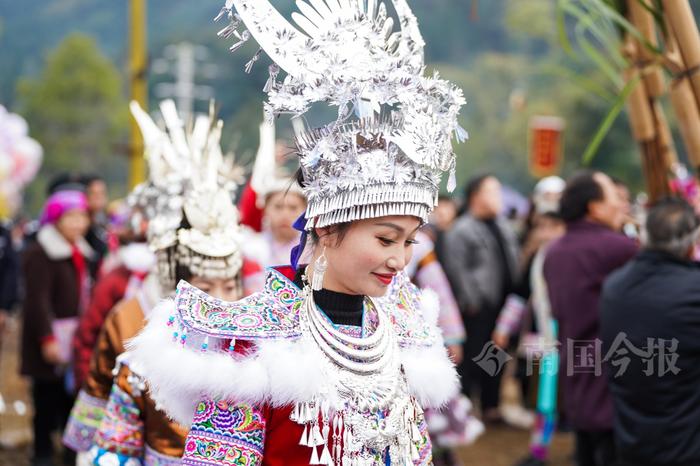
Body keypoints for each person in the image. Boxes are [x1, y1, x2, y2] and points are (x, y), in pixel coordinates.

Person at [128, 1, 467, 463]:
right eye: (386, 239)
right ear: (326, 230)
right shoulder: (252, 341)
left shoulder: (402, 331)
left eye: (409, 241)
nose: (400, 260)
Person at [62, 100, 264, 466]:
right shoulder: (132, 331)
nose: (220, 302)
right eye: (204, 287)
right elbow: (110, 439)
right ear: (178, 284)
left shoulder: (261, 353)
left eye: (230, 288)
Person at [543, 171, 637, 466]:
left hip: (576, 371)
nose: (623, 206)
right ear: (594, 207)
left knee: (586, 449)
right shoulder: (619, 248)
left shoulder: (554, 251)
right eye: (615, 198)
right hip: (617, 378)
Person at [600, 197, 700, 466]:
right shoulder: (692, 290)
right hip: (687, 444)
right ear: (692, 244)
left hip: (632, 437)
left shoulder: (615, 286)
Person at [21, 190, 94, 466]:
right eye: (71, 217)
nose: (78, 223)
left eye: (82, 216)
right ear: (55, 220)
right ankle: (41, 455)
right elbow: (36, 301)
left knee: (70, 401)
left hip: (73, 338)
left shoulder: (80, 251)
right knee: (46, 400)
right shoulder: (41, 252)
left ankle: (68, 455)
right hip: (50, 337)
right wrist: (47, 338)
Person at [443, 174, 519, 423]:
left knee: (495, 356)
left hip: (502, 305)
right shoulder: (462, 229)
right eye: (492, 191)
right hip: (475, 308)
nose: (498, 197)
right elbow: (456, 268)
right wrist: (470, 300)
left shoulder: (503, 225)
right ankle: (464, 407)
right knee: (471, 357)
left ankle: (491, 405)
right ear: (476, 196)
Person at [241, 121, 308, 267]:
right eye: (278, 207)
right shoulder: (249, 250)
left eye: (293, 208)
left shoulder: (312, 252)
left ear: (305, 211)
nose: (285, 214)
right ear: (265, 209)